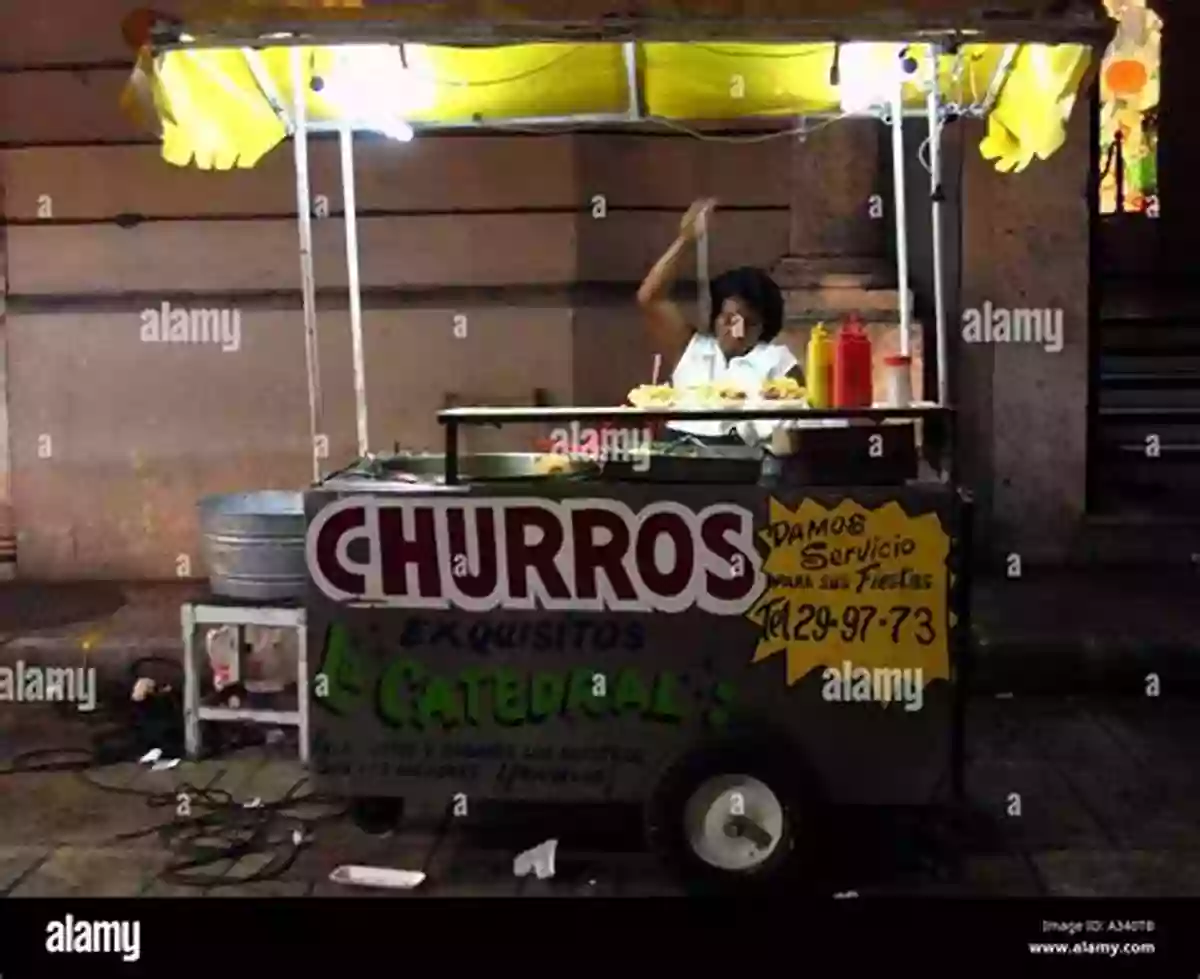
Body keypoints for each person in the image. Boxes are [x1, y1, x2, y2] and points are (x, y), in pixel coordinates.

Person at [637, 198, 802, 442]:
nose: (738, 332)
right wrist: (686, 240)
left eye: (750, 323)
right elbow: (649, 298)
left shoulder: (776, 360)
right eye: (730, 320)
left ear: (764, 326)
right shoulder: (693, 348)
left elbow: (792, 431)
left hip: (740, 457)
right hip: (681, 451)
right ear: (715, 318)